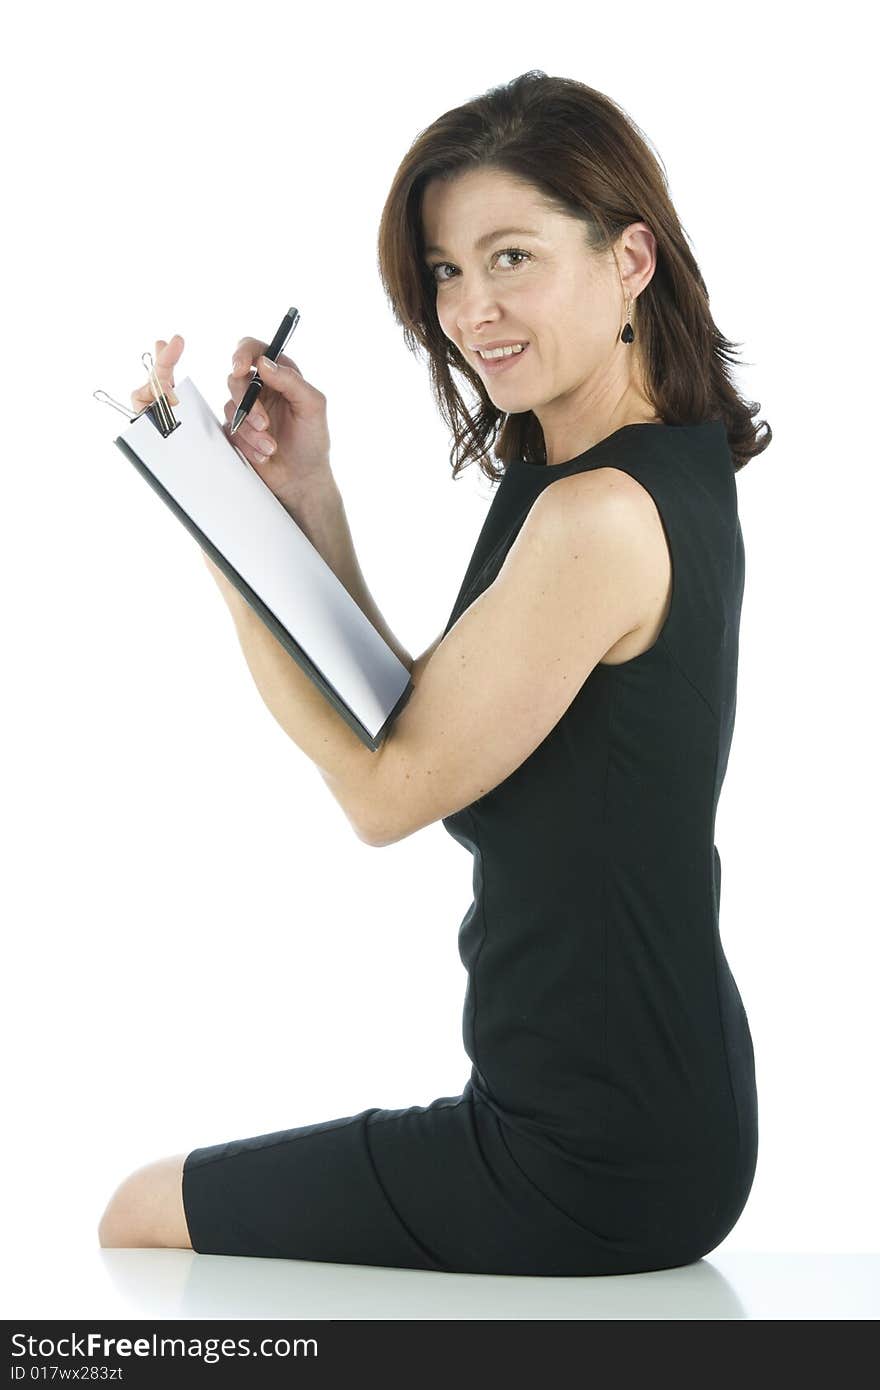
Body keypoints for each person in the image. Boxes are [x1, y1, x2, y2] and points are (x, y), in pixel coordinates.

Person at [98, 70, 769, 1276]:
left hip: (593, 1154)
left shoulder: (600, 515)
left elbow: (385, 791)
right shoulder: (601, 469)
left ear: (630, 258)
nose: (470, 308)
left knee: (140, 1212)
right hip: (642, 1115)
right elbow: (427, 715)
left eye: (511, 256)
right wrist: (306, 498)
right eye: (448, 270)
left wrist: (212, 526)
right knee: (149, 1210)